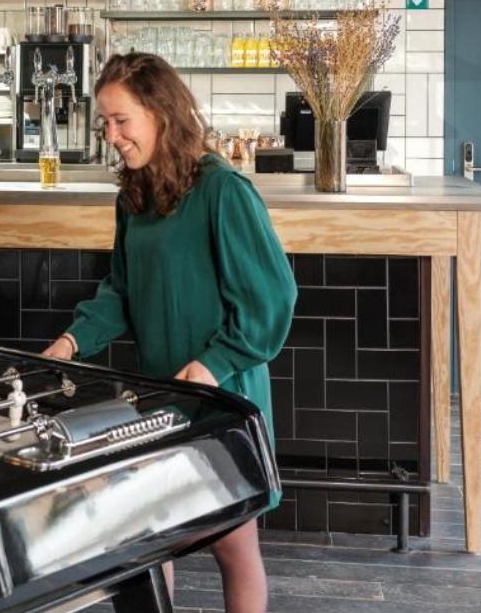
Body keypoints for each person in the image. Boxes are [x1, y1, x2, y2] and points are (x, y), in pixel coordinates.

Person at [43, 52, 295, 613]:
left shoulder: (224, 190)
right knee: (152, 540)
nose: (111, 135)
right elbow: (121, 291)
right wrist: (74, 340)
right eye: (104, 122)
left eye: (121, 120)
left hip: (221, 396)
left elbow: (271, 300)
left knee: (233, 543)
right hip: (161, 395)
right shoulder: (133, 196)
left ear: (160, 113)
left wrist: (214, 363)